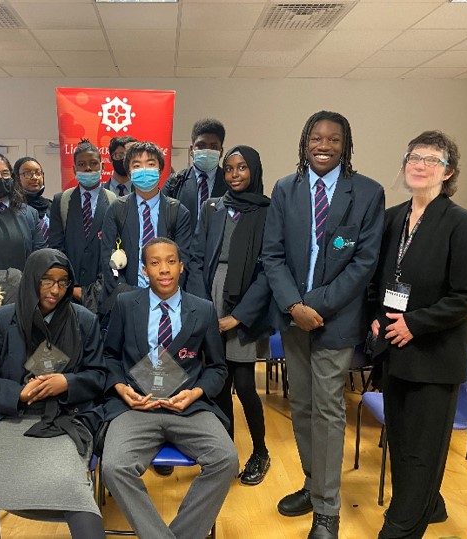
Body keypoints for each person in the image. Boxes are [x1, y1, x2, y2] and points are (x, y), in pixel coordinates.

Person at [263, 111, 385, 539]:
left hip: (336, 320)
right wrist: (293, 306)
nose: (324, 145)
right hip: (294, 320)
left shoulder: (367, 192)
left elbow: (364, 264)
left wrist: (312, 305)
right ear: (304, 141)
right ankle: (313, 484)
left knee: (329, 410)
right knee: (301, 406)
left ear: (345, 145)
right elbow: (272, 255)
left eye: (334, 139)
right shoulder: (285, 188)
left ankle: (328, 510)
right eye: (316, 137)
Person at [370, 131, 467, 539]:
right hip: (394, 351)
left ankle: (401, 528)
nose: (420, 165)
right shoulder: (392, 218)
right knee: (402, 443)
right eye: (414, 157)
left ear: (448, 172)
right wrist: (375, 316)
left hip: (433, 356)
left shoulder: (462, 223)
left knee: (422, 451)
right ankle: (430, 506)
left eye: (432, 160)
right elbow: (378, 279)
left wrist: (415, 323)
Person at [0, 249, 108, 539]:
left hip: (65, 421)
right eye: (47, 280)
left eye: (63, 282)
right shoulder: (3, 319)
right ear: (32, 279)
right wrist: (18, 393)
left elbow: (99, 377)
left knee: (84, 518)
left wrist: (67, 383)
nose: (55, 290)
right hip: (9, 418)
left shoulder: (84, 321)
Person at [101, 237, 238, 539]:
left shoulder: (203, 310)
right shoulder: (126, 305)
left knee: (226, 460)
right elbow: (109, 356)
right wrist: (121, 388)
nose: (164, 269)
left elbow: (217, 367)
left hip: (188, 407)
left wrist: (196, 393)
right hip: (136, 406)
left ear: (181, 266)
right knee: (113, 467)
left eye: (171, 261)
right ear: (144, 270)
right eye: (155, 263)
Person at [187, 145, 273, 486]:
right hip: (211, 296)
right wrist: (202, 308)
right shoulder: (212, 207)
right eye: (229, 169)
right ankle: (225, 454)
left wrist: (238, 316)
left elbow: (269, 270)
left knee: (246, 384)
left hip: (247, 302)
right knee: (218, 383)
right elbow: (195, 258)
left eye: (242, 168)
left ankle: (260, 452)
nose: (234, 174)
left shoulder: (268, 211)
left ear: (254, 170)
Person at [100, 141, 192, 312]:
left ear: (160, 170)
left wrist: (163, 294)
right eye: (137, 165)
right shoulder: (116, 210)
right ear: (129, 173)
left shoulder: (178, 212)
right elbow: (107, 260)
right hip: (125, 300)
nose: (144, 170)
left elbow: (183, 261)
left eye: (150, 164)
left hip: (167, 301)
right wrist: (127, 294)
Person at [49, 139, 116, 307]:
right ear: (74, 169)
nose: (88, 168)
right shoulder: (61, 201)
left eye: (93, 163)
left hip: (103, 290)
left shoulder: (115, 202)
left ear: (102, 167)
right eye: (82, 164)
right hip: (68, 290)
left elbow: (116, 251)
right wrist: (69, 285)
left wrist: (97, 289)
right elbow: (56, 247)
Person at [0, 153, 46, 272]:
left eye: (5, 173)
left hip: (23, 282)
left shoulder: (30, 214)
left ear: (12, 177)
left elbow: (40, 256)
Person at [162, 118, 227, 226]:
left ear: (221, 151)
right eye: (201, 145)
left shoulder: (230, 182)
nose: (207, 150)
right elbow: (162, 219)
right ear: (192, 150)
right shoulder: (175, 182)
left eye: (213, 146)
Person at [15, 156, 51, 243]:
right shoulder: (13, 208)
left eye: (38, 173)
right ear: (16, 178)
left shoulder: (52, 206)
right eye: (27, 173)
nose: (34, 177)